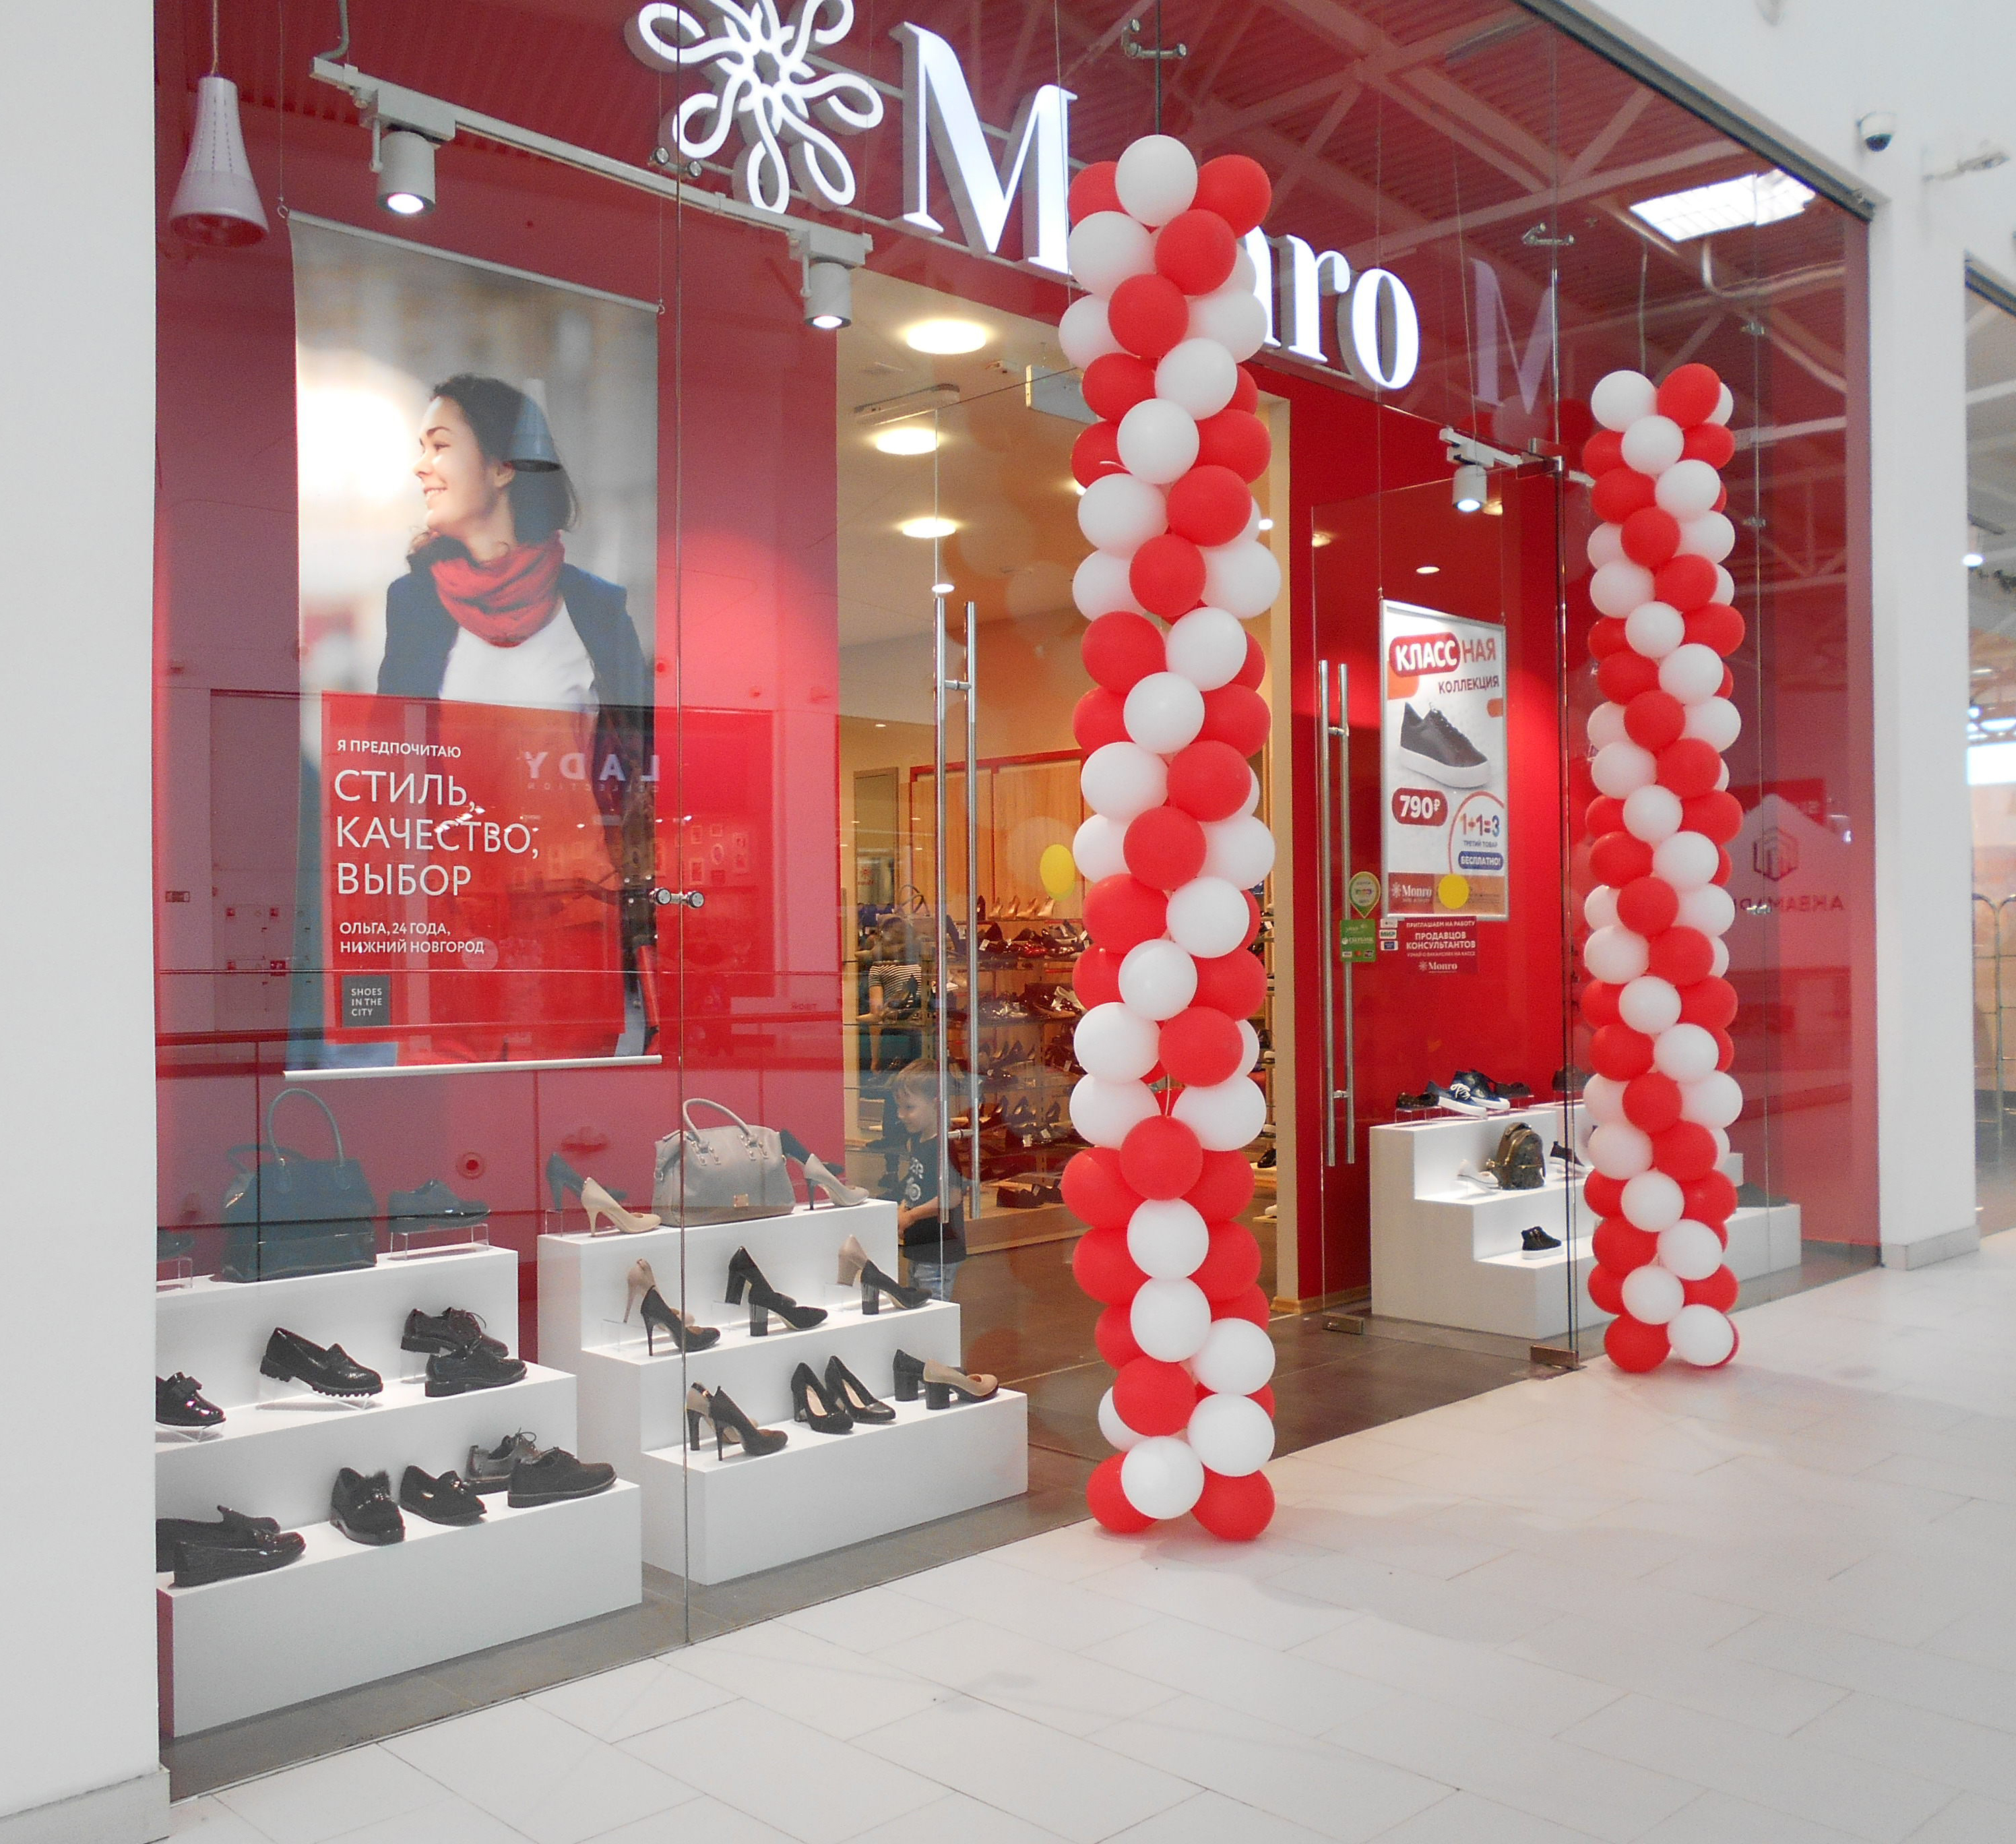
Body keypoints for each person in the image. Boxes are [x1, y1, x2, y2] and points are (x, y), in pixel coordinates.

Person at [372, 374, 653, 1062]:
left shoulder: (595, 610)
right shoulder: (413, 606)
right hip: (449, 928)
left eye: (440, 445)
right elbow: (385, 774)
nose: (421, 466)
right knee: (444, 1109)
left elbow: (645, 770)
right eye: (421, 447)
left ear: (503, 467)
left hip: (570, 926)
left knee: (567, 1110)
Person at [887, 1059, 966, 1301]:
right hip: (921, 1246)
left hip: (938, 1249)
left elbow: (952, 1196)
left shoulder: (943, 1146)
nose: (901, 1115)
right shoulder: (918, 1141)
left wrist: (911, 1215)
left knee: (933, 1304)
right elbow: (916, 1184)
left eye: (909, 1107)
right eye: (899, 1107)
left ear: (935, 1102)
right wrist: (903, 1207)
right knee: (919, 1300)